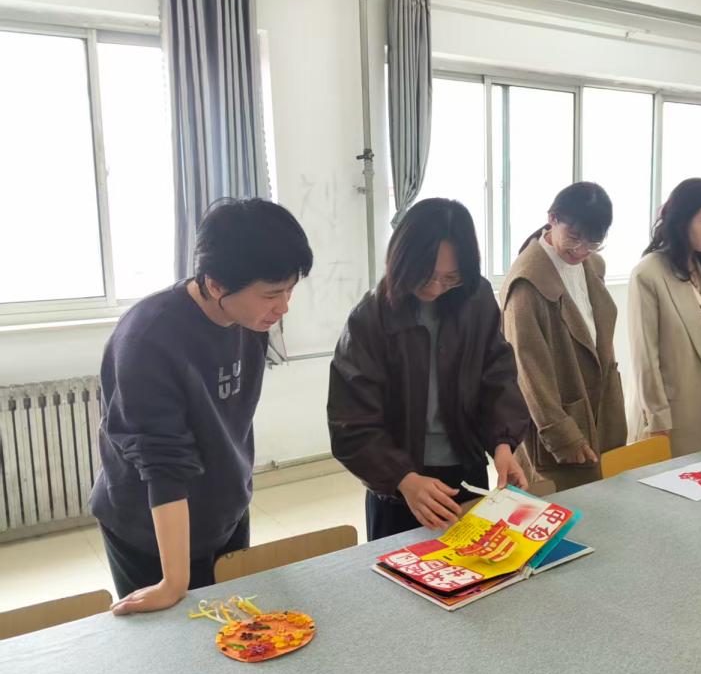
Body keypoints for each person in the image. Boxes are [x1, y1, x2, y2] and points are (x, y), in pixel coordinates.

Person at [90, 198, 313, 614]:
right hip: (152, 526)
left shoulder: (251, 319)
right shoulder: (148, 338)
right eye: (271, 294)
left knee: (233, 627)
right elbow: (163, 465)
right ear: (215, 285)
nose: (283, 307)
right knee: (173, 639)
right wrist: (173, 581)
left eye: (289, 290)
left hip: (224, 511)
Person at [328, 198, 529, 541]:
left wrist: (503, 445)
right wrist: (403, 479)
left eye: (450, 278)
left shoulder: (476, 299)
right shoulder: (370, 318)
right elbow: (351, 422)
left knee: (476, 567)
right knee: (399, 571)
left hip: (466, 472)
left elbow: (497, 376)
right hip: (398, 485)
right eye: (426, 276)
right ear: (402, 260)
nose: (436, 288)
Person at [500, 182, 627, 491]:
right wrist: (561, 433)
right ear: (552, 219)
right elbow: (528, 372)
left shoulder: (592, 265)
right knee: (562, 508)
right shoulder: (526, 283)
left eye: (593, 242)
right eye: (573, 236)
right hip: (557, 422)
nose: (581, 250)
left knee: (606, 502)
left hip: (600, 411)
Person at [627, 178, 701, 457]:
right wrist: (657, 418)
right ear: (682, 220)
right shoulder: (647, 273)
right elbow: (645, 358)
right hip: (671, 414)